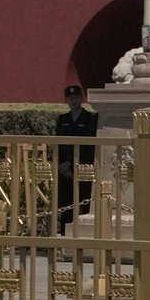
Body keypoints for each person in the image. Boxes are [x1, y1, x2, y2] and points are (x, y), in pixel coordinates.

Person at [54, 84, 98, 235]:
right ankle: (65, 233)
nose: (73, 100)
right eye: (70, 97)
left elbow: (87, 145)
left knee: (84, 199)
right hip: (64, 169)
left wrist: (71, 164)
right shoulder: (63, 119)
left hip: (82, 167)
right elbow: (58, 143)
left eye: (76, 97)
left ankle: (84, 233)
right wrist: (61, 164)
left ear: (81, 98)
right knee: (66, 201)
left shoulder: (89, 119)